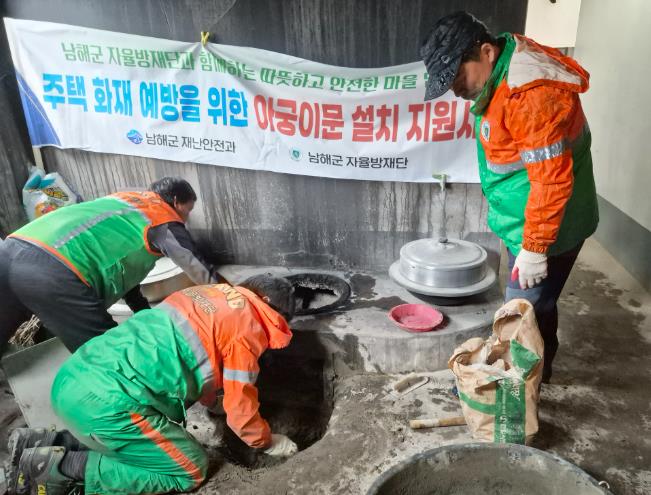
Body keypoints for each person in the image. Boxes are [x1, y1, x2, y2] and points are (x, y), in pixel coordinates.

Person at [420, 12, 599, 382]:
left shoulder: (530, 95)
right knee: (539, 305)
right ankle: (539, 374)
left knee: (517, 314)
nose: (455, 89)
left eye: (457, 76)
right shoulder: (501, 75)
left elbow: (551, 181)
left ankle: (506, 393)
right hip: (528, 222)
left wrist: (534, 248)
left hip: (550, 227)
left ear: (486, 52)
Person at [7, 275, 298, 495]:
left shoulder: (202, 294)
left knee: (133, 444)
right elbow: (242, 412)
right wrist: (268, 442)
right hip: (108, 403)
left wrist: (212, 400)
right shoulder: (248, 328)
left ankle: (45, 445)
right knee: (189, 469)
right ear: (273, 313)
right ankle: (62, 471)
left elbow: (193, 355)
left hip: (74, 376)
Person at [0, 176, 228, 352]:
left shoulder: (125, 200)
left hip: (10, 250)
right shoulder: (162, 217)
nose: (185, 219)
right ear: (176, 202)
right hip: (51, 270)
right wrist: (233, 299)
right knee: (108, 353)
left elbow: (122, 269)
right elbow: (198, 267)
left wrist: (143, 314)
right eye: (188, 211)